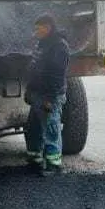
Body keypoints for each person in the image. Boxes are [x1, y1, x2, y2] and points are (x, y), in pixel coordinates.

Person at [24, 13, 71, 176]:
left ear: (48, 28)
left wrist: (50, 99)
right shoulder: (41, 44)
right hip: (37, 95)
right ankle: (34, 160)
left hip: (49, 96)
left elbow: (57, 76)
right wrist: (29, 91)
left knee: (51, 128)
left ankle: (53, 164)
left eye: (38, 29)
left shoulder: (59, 47)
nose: (35, 32)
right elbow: (34, 70)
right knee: (33, 128)